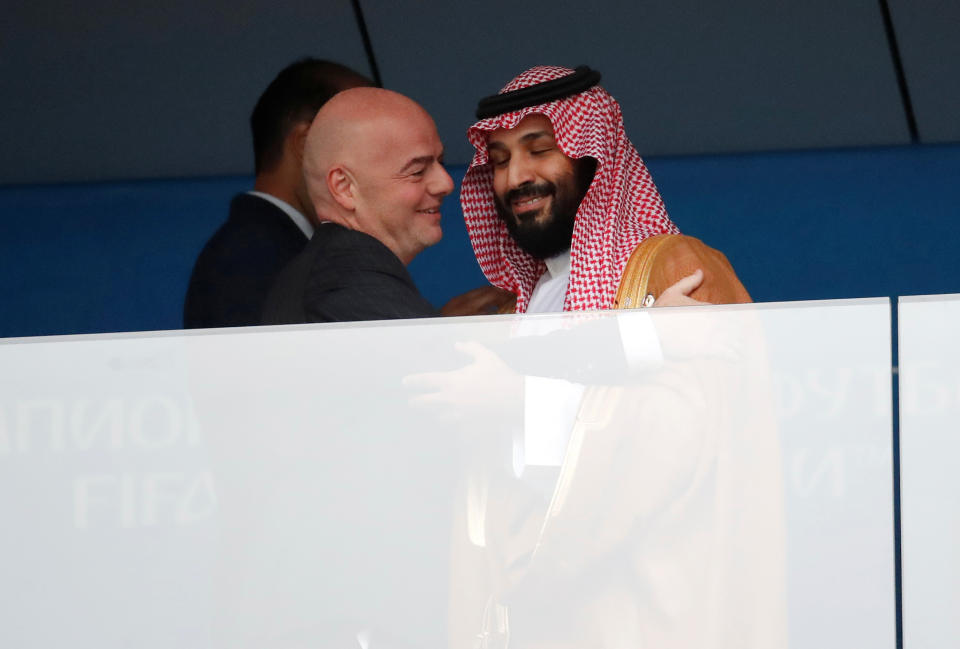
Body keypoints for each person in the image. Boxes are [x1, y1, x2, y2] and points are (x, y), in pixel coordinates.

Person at [460, 65, 747, 313]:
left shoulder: (675, 266)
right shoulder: (517, 308)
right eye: (500, 161)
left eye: (540, 150)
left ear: (594, 161)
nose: (515, 178)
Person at [183, 59, 373, 329]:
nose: (376, 166)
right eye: (367, 144)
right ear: (308, 144)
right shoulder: (251, 258)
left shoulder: (271, 249)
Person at [262, 87, 455, 324]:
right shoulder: (349, 284)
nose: (445, 183)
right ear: (344, 187)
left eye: (441, 162)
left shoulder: (329, 276)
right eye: (417, 171)